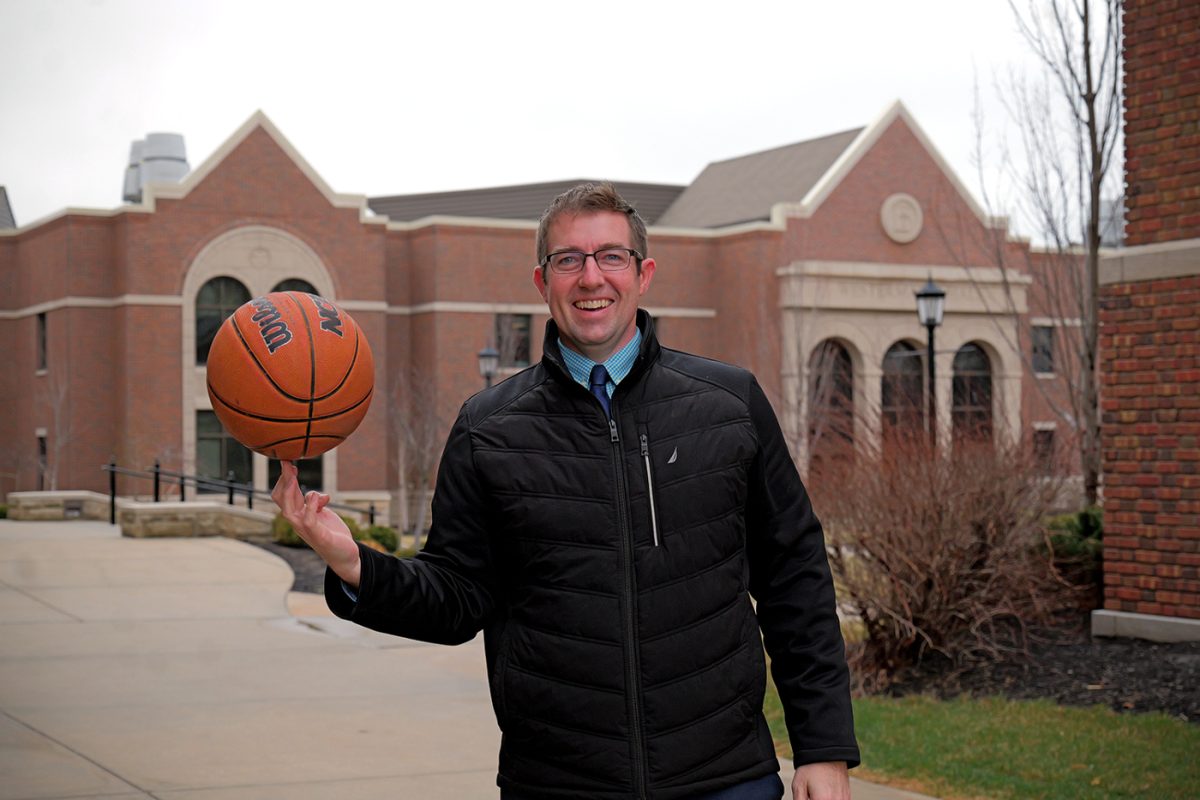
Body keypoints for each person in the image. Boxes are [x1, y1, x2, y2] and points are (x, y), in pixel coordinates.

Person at [272, 182, 859, 799]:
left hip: (723, 777)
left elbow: (795, 578)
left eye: (611, 256)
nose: (590, 277)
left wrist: (822, 746)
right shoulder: (489, 428)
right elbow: (455, 598)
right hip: (558, 782)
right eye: (568, 259)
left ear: (643, 273)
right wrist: (351, 563)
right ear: (541, 280)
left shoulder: (728, 404)